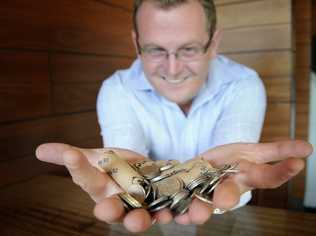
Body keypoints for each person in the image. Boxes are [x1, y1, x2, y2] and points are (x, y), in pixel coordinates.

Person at [35, 0, 314, 233]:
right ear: (137, 44)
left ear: (214, 42)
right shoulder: (116, 89)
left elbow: (230, 177)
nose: (172, 68)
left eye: (189, 49)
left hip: (226, 220)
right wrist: (131, 184)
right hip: (148, 225)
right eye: (156, 49)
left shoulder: (244, 84)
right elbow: (126, 170)